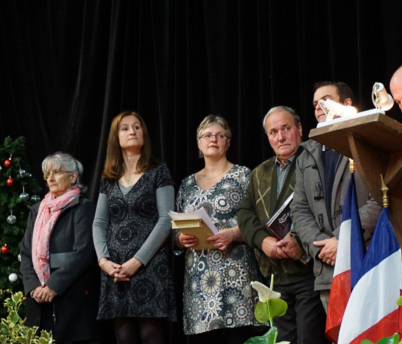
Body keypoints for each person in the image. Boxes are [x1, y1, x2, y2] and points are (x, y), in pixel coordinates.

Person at [238, 106, 328, 344]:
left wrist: (300, 242)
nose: (280, 137)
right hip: (273, 278)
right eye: (273, 132)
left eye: (286, 129)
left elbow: (324, 211)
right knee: (281, 340)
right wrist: (263, 241)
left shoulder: (316, 163)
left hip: (309, 273)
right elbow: (245, 214)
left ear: (299, 129)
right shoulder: (259, 172)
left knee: (309, 339)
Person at [174, 115, 265, 343]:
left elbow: (260, 221)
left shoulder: (244, 175)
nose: (213, 139)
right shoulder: (186, 184)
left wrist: (234, 234)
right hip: (198, 281)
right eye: (207, 135)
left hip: (236, 276)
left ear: (228, 142)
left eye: (219, 135)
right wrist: (179, 239)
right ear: (198, 143)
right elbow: (175, 230)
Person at [292, 81, 381, 311]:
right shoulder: (306, 154)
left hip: (365, 260)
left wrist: (342, 240)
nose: (319, 107)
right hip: (326, 268)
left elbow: (379, 200)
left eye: (326, 100)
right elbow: (299, 209)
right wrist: (321, 248)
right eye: (315, 104)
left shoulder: (367, 141)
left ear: (347, 104)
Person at [92, 111, 175, 344]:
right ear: (115, 137)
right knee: (124, 336)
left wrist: (137, 262)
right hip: (115, 269)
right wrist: (104, 262)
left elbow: (166, 220)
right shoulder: (108, 179)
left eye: (137, 127)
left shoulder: (158, 172)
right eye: (125, 128)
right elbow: (99, 223)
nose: (132, 132)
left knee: (151, 335)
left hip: (149, 265)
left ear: (144, 135)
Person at [20, 153, 101, 344]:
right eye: (48, 173)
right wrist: (33, 288)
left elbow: (83, 253)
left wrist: (53, 286)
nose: (50, 178)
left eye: (56, 172)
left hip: (71, 301)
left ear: (73, 177)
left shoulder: (83, 208)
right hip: (39, 300)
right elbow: (25, 253)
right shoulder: (37, 210)